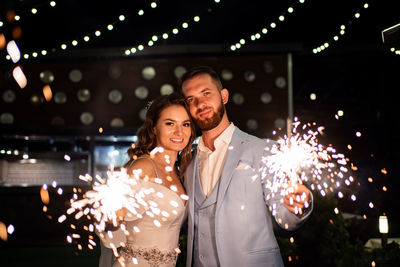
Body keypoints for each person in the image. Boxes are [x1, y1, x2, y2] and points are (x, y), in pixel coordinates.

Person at [179, 66, 313, 267]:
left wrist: (300, 206)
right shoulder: (188, 161)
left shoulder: (262, 149)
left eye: (206, 93)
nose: (200, 103)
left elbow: (286, 217)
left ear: (224, 96)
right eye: (191, 99)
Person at [98, 92, 196, 267]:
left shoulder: (179, 170)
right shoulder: (143, 168)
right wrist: (113, 219)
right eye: (169, 123)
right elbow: (112, 229)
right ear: (154, 128)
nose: (179, 131)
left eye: (185, 124)